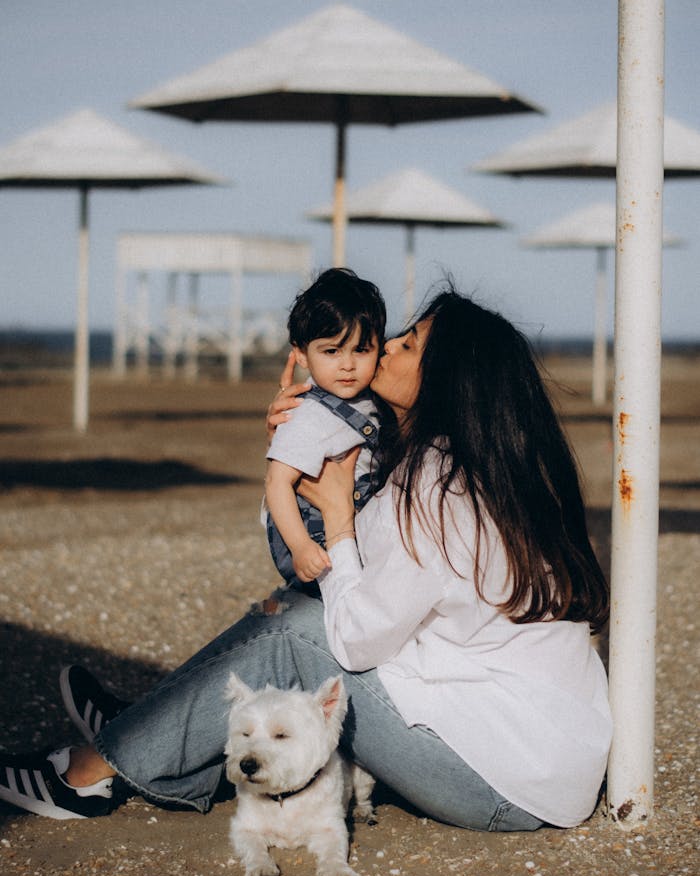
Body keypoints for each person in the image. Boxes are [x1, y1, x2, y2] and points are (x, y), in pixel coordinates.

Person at [0, 287, 612, 831]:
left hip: (505, 780)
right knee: (294, 610)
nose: (385, 348)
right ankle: (149, 733)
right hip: (529, 751)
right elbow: (329, 571)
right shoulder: (465, 466)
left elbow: (354, 639)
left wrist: (339, 520)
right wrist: (297, 452)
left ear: (450, 376)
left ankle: (90, 773)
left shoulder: (439, 486)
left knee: (294, 628)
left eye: (408, 345)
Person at [264, 267, 385, 587]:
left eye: (361, 350)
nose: (347, 365)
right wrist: (301, 546)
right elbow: (276, 484)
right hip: (319, 542)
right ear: (302, 354)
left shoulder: (372, 399)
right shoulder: (306, 416)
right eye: (331, 351)